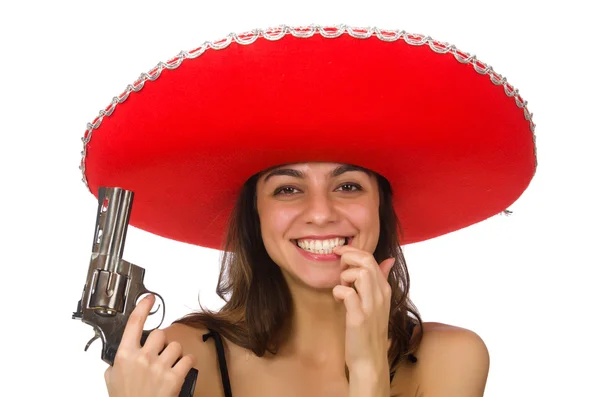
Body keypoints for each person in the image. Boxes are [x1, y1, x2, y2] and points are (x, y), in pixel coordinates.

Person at [85, 25, 537, 397]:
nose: (320, 214)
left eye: (347, 185)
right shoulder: (185, 358)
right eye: (287, 189)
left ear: (382, 206)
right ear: (255, 215)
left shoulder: (453, 358)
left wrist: (367, 373)